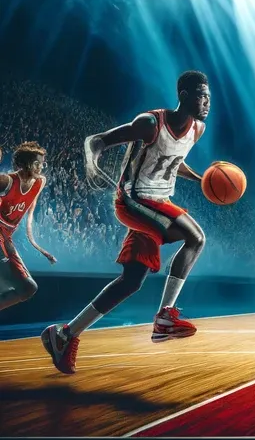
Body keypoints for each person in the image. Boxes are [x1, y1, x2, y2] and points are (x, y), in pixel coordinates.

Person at [41, 71, 211, 375]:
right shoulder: (150, 123)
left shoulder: (198, 129)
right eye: (201, 94)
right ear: (183, 95)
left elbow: (173, 157)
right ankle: (164, 317)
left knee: (131, 281)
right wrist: (91, 161)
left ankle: (64, 335)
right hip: (133, 200)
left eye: (209, 96)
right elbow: (99, 140)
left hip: (158, 204)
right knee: (196, 237)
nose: (207, 101)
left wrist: (202, 179)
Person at [0, 142, 56, 313]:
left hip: (7, 236)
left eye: (42, 163)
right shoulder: (6, 181)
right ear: (25, 164)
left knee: (28, 288)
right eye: (37, 163)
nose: (41, 167)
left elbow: (29, 216)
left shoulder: (40, 182)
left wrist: (39, 248)